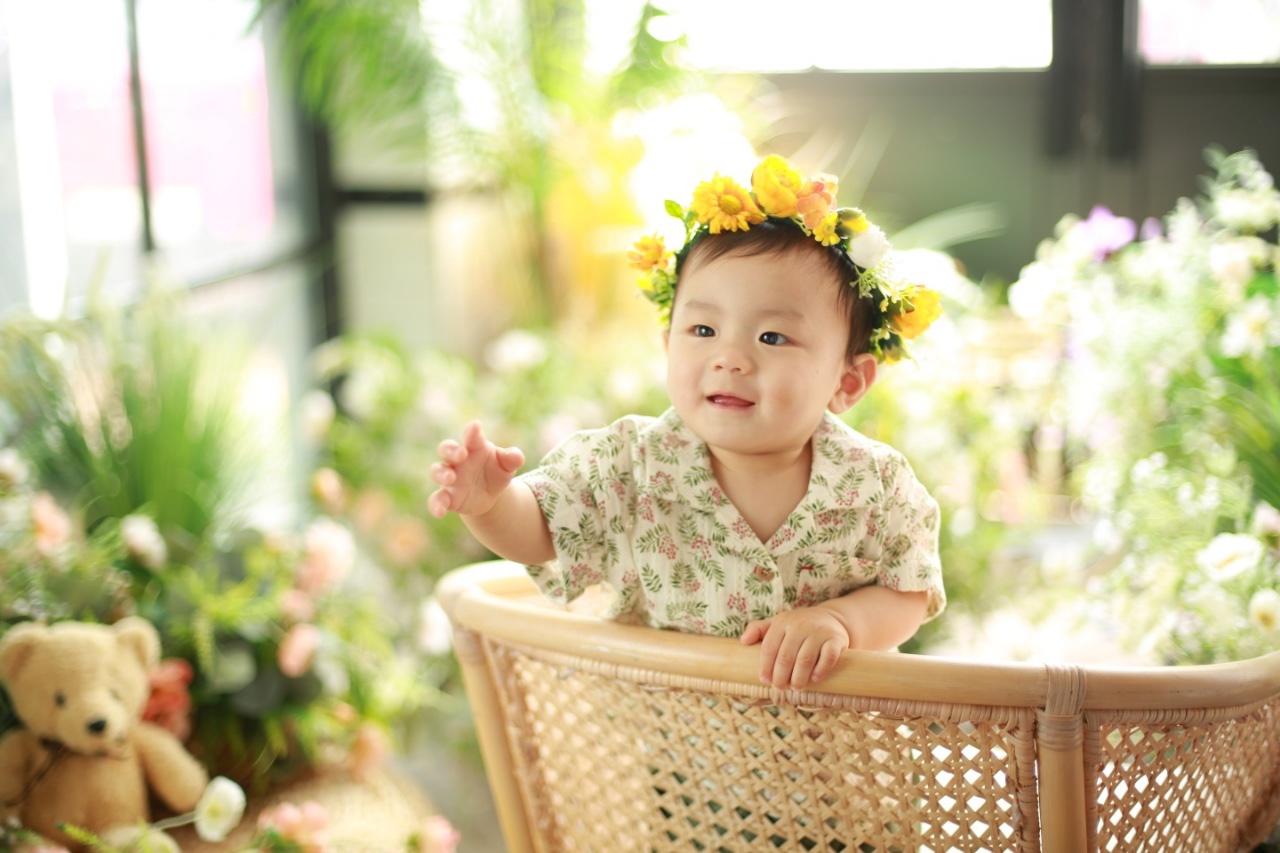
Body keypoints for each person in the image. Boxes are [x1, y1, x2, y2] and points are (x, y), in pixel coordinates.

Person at [429, 154, 945, 691]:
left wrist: (842, 620)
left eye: (772, 337)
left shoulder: (877, 484)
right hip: (670, 737)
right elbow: (542, 531)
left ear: (848, 382)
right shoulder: (627, 464)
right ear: (667, 344)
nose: (730, 358)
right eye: (703, 330)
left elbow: (909, 589)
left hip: (828, 739)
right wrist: (491, 505)